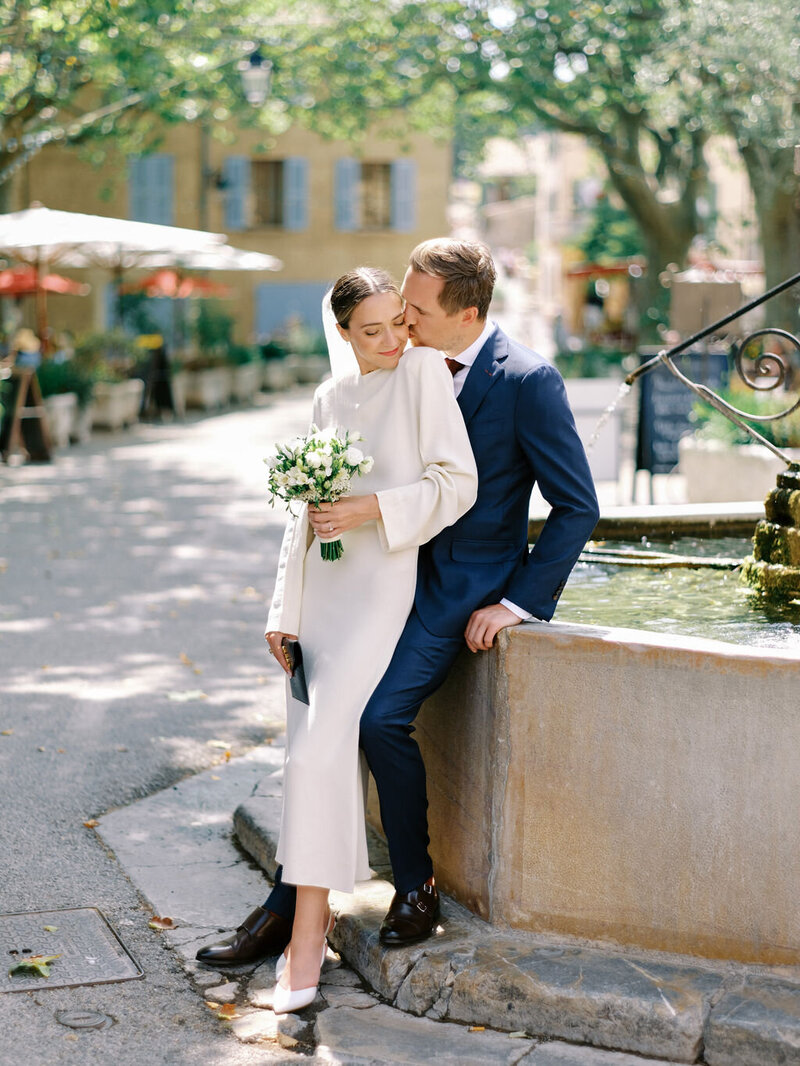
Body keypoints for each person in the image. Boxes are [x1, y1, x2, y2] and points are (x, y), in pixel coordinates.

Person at [197, 238, 599, 969]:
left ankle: (415, 885)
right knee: (319, 730)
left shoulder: (528, 380)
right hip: (372, 581)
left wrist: (518, 602)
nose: (402, 323)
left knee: (379, 720)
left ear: (467, 312)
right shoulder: (386, 372)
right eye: (393, 311)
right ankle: (289, 904)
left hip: (452, 591)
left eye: (414, 310)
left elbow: (577, 505)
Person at [196, 267, 477, 1013]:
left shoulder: (422, 373)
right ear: (343, 333)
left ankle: (302, 942)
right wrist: (282, 609)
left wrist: (370, 510)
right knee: (305, 753)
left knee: (322, 751)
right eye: (372, 330)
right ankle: (298, 923)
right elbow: (302, 513)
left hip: (381, 590)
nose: (391, 339)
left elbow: (458, 484)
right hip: (322, 598)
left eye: (397, 322)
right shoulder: (329, 396)